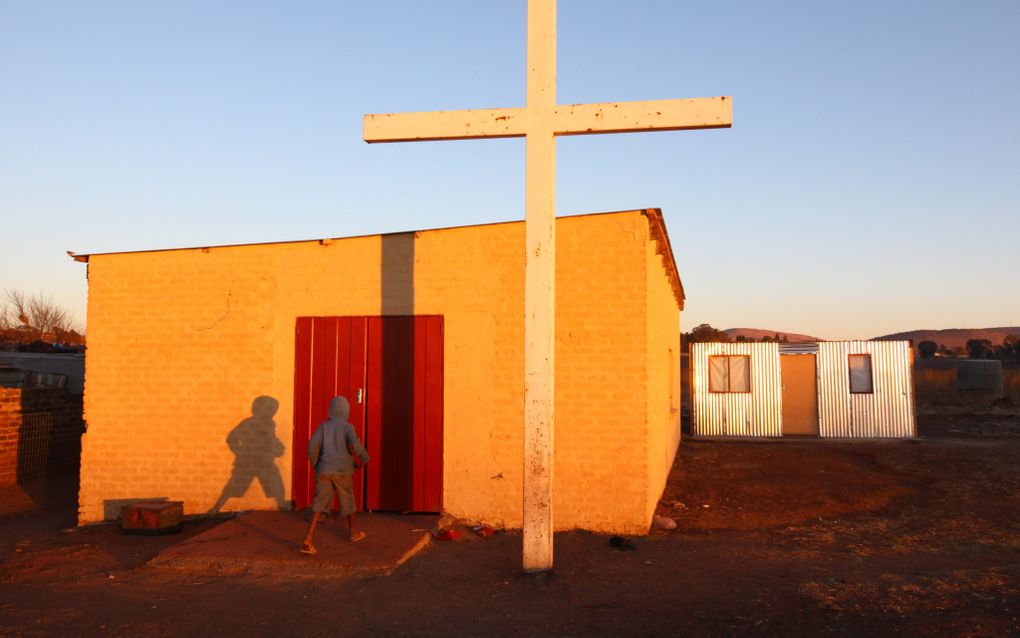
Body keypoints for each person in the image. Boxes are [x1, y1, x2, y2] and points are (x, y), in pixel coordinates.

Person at [300, 395, 370, 555]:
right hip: (342, 471)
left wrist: (316, 464)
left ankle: (308, 538)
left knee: (318, 504)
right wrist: (365, 458)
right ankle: (353, 533)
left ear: (331, 410)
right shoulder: (347, 427)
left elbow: (312, 446)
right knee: (347, 500)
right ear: (346, 411)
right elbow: (355, 444)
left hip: (324, 470)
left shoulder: (323, 427)